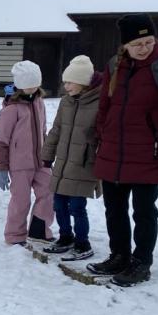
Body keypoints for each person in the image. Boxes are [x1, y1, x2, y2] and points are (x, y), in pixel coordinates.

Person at [88, 14, 158, 286]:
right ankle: (119, 255)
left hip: (149, 152)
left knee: (143, 211)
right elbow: (104, 106)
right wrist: (102, 136)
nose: (144, 48)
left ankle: (141, 262)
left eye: (148, 42)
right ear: (125, 45)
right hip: (113, 151)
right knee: (114, 209)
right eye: (137, 44)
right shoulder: (115, 65)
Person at [40, 55, 101, 261]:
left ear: (83, 82)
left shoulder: (100, 102)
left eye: (69, 82)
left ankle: (83, 243)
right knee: (58, 204)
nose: (65, 86)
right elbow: (56, 130)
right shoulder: (66, 102)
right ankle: (65, 237)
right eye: (64, 82)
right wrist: (47, 155)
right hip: (63, 162)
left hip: (84, 163)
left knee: (77, 206)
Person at [0, 61, 55, 245]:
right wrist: (2, 168)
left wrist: (48, 155)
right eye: (29, 85)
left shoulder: (39, 102)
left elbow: (43, 131)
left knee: (49, 192)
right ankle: (15, 235)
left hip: (41, 161)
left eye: (36, 84)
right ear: (19, 85)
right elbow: (2, 140)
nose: (33, 88)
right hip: (19, 164)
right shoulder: (11, 109)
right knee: (20, 201)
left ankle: (39, 230)